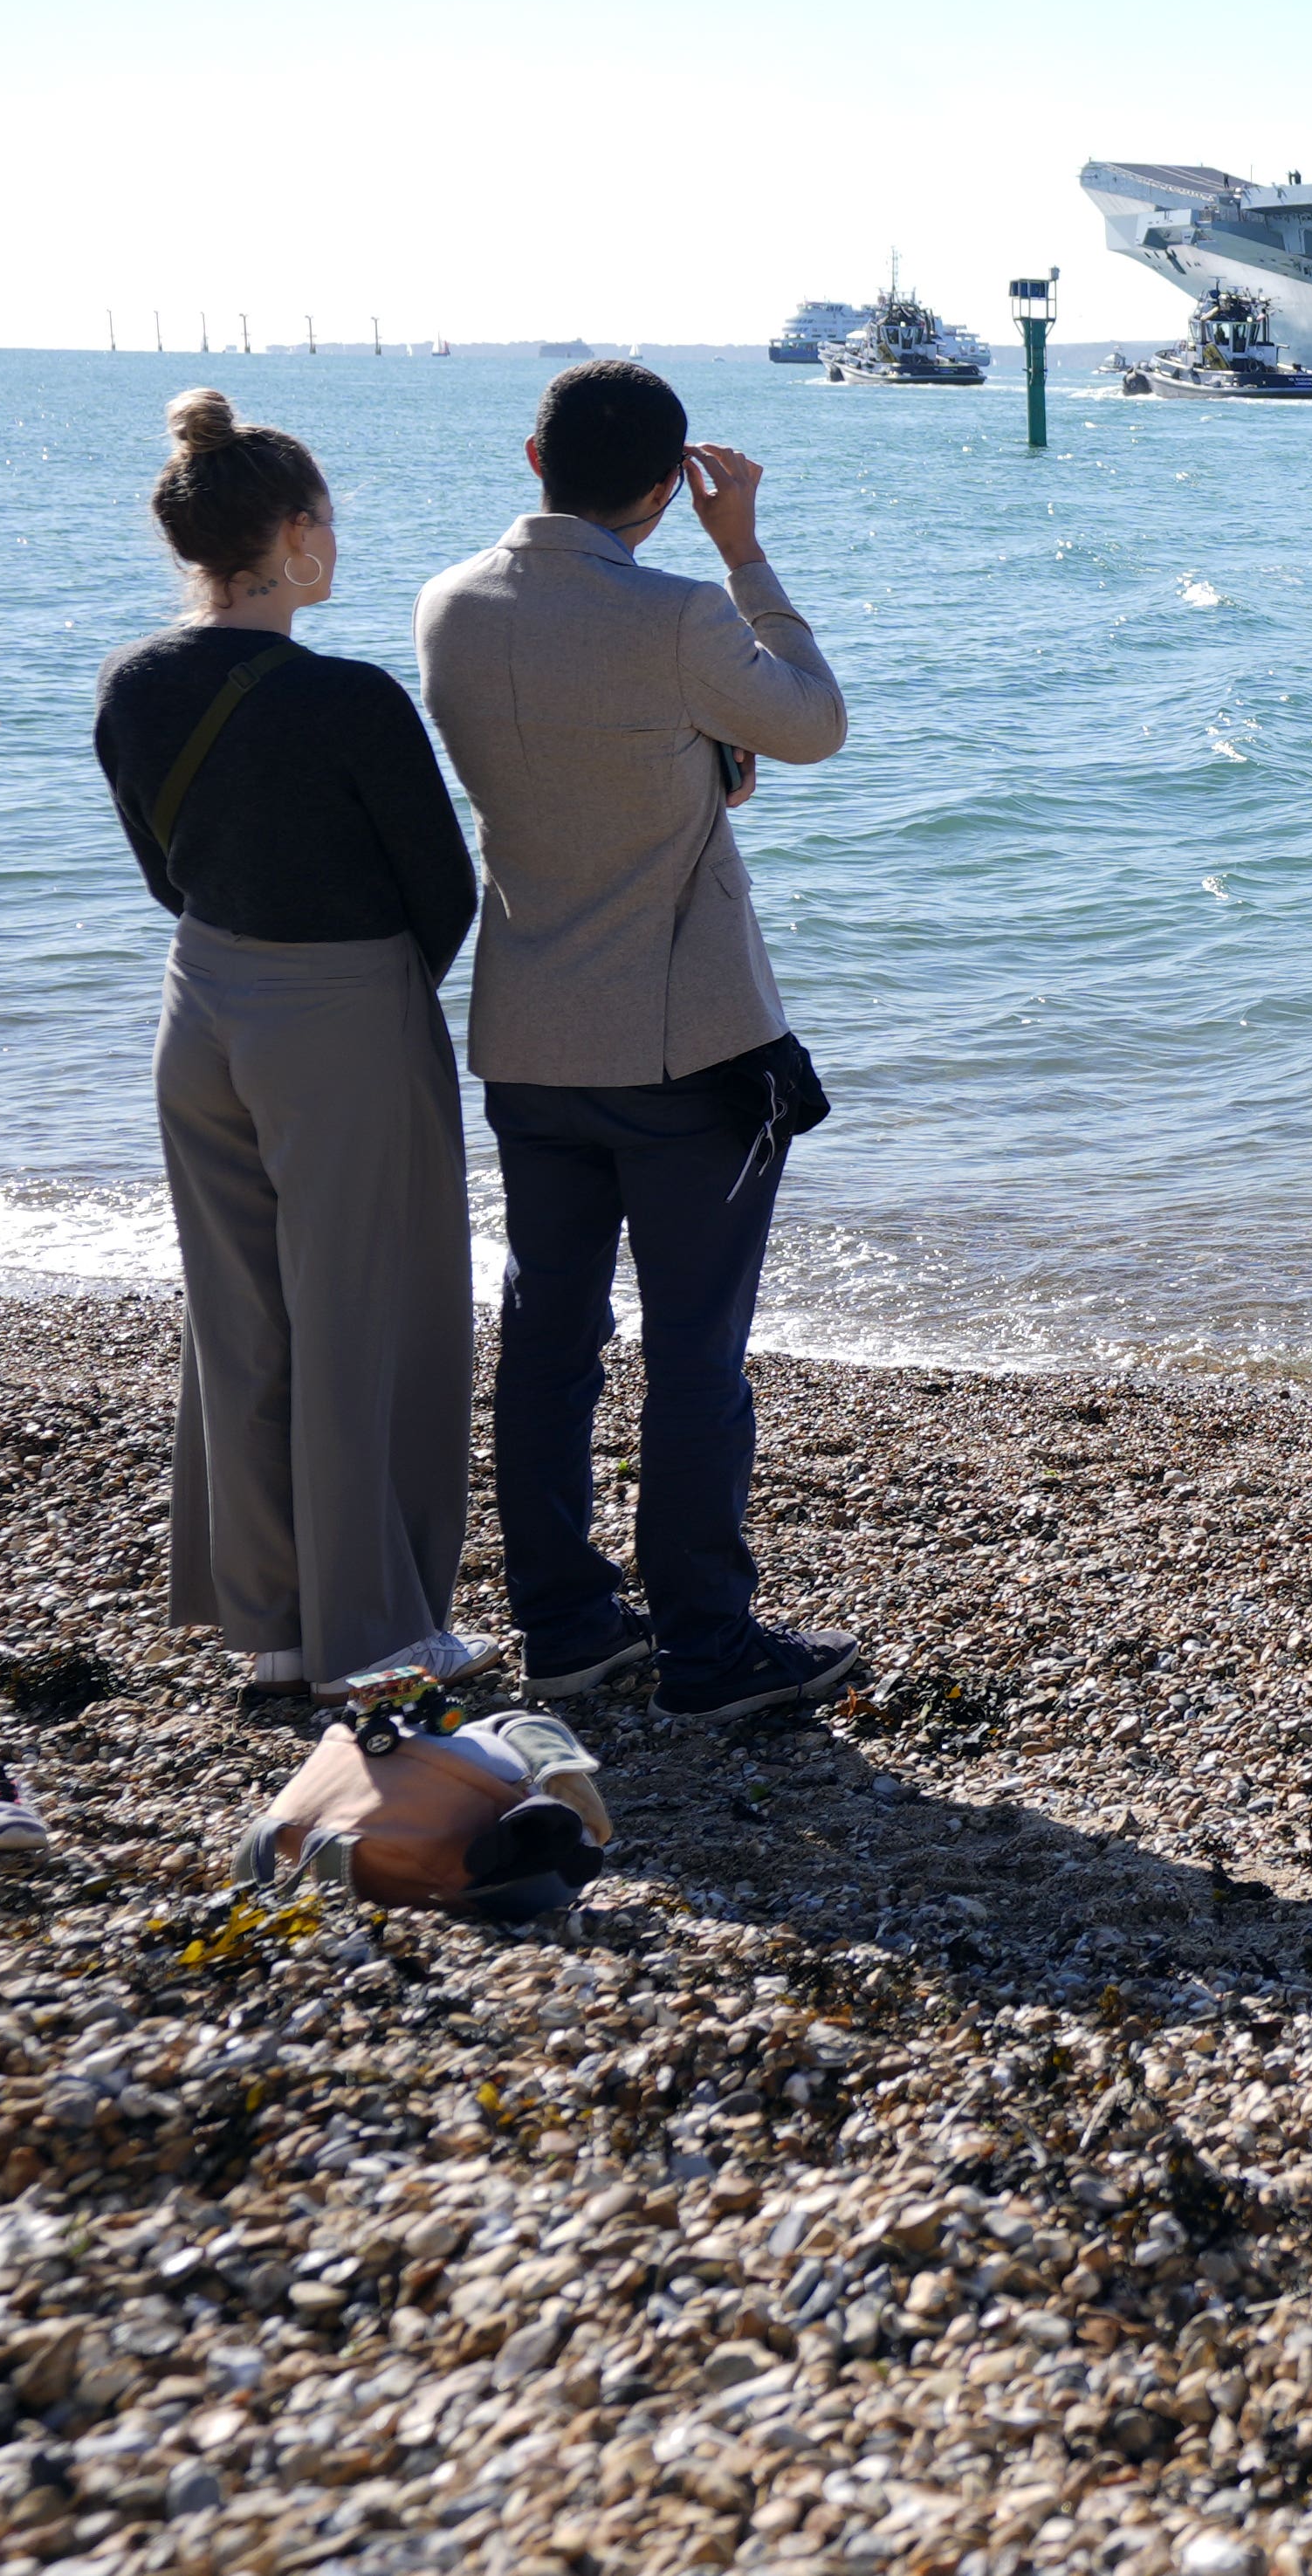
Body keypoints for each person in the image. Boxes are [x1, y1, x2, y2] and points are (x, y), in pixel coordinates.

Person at [417, 360, 860, 1721]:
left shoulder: (446, 606)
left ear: (533, 450)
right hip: (687, 1050)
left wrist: (692, 764)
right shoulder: (680, 612)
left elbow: (576, 760)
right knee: (693, 1349)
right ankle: (705, 1648)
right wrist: (746, 554)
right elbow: (816, 721)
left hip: (528, 1035)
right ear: (670, 489)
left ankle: (563, 1626)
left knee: (549, 1338)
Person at [93, 388, 485, 1693]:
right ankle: (374, 1637)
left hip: (197, 999)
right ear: (301, 533)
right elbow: (445, 889)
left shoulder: (133, 683)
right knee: (371, 1313)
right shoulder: (354, 698)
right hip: (340, 1009)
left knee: (241, 1314)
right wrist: (376, 995)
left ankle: (270, 1625)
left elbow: (165, 870)